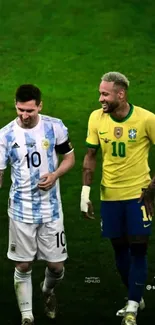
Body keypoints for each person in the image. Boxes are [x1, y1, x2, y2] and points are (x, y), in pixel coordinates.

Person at [80, 72, 155, 325]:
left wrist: (152, 189)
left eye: (105, 94)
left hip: (138, 196)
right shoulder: (96, 118)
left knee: (138, 247)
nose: (100, 98)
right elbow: (90, 155)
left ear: (120, 95)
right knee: (119, 249)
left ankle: (132, 307)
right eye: (100, 93)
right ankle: (136, 296)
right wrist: (84, 193)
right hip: (109, 196)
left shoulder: (146, 119)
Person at [0, 84, 75, 325]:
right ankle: (27, 316)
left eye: (29, 110)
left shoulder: (54, 126)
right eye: (20, 109)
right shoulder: (5, 135)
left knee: (56, 267)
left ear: (39, 106)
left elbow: (69, 157)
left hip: (51, 208)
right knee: (23, 263)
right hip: (20, 210)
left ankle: (47, 292)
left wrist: (54, 176)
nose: (24, 115)